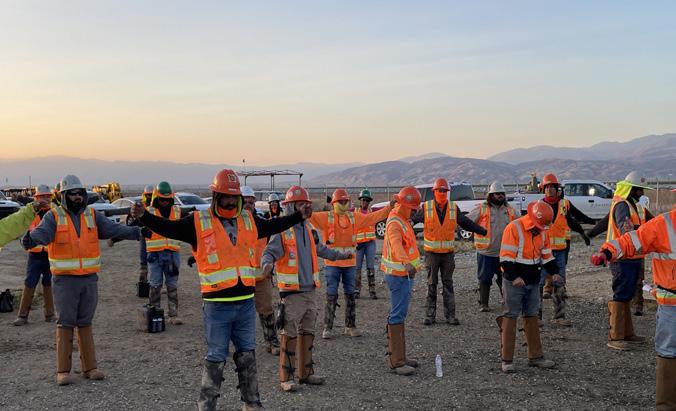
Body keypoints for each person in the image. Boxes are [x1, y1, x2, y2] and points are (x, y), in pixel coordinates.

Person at [131, 169, 312, 411]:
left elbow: (273, 225)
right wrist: (145, 217)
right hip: (217, 306)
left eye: (233, 197)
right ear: (216, 196)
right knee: (216, 358)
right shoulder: (198, 222)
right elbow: (169, 228)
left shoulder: (249, 220)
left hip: (245, 302)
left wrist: (298, 216)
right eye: (226, 196)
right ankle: (207, 406)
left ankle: (251, 403)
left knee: (247, 354)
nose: (230, 201)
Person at [23, 175, 143, 385]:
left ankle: (90, 367)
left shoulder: (93, 215)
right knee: (65, 322)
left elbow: (114, 229)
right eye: (73, 194)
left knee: (85, 321)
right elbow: (42, 233)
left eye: (80, 193)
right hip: (65, 280)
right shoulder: (54, 216)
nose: (77, 197)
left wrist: (137, 232)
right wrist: (30, 239)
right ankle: (63, 370)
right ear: (64, 196)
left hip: (89, 279)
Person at [261, 185, 351, 392]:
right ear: (291, 207)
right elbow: (268, 253)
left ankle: (305, 373)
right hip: (292, 293)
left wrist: (341, 255)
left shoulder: (310, 229)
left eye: (306, 204)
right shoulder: (282, 230)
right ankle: (286, 377)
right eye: (301, 204)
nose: (305, 207)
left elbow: (322, 249)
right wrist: (266, 265)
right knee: (289, 333)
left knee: (308, 331)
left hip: (310, 291)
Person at [591, 193, 676, 409]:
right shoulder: (664, 224)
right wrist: (608, 252)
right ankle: (666, 406)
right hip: (671, 306)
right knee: (668, 352)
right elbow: (631, 240)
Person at [309, 189, 392, 339]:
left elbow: (373, 217)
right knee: (331, 294)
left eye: (345, 201)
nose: (343, 204)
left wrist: (389, 207)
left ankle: (350, 326)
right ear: (334, 203)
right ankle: (328, 327)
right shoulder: (326, 217)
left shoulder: (354, 217)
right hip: (332, 264)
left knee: (350, 294)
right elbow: (308, 216)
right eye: (340, 201)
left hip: (349, 264)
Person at [411, 178, 486, 325]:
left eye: (444, 191)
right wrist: (407, 223)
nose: (442, 193)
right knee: (431, 284)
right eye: (440, 190)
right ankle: (430, 315)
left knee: (448, 284)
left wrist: (481, 230)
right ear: (434, 192)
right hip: (432, 254)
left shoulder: (453, 208)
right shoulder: (426, 208)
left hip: (447, 254)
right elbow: (413, 220)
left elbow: (466, 222)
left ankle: (450, 316)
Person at [498, 201, 558, 373]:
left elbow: (546, 256)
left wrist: (554, 272)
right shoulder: (514, 228)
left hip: (532, 281)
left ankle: (536, 357)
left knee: (532, 316)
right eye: (540, 226)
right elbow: (505, 258)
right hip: (514, 282)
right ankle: (507, 360)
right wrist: (514, 277)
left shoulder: (542, 231)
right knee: (510, 316)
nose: (542, 229)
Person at [603, 171, 652, 350]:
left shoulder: (634, 206)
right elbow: (627, 231)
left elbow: (650, 223)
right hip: (621, 256)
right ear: (632, 189)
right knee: (621, 294)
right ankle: (615, 336)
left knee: (627, 294)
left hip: (633, 256)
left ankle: (627, 333)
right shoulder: (622, 205)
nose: (642, 193)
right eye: (640, 189)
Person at [537, 174, 593, 326]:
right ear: (543, 189)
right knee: (539, 283)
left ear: (557, 189)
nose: (549, 189)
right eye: (547, 187)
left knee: (559, 282)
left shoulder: (564, 204)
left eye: (552, 187)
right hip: (543, 252)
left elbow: (573, 220)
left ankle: (559, 317)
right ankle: (536, 317)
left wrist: (584, 232)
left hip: (560, 251)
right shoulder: (539, 206)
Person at [381, 186, 421, 376]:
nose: (414, 211)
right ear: (404, 205)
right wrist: (406, 263)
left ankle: (401, 357)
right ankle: (396, 361)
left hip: (403, 275)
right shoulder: (395, 222)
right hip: (398, 275)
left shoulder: (402, 219)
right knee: (397, 315)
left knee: (400, 314)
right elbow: (396, 244)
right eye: (412, 208)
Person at [241, 185, 280, 356]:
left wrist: (270, 267)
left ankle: (272, 341)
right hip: (240, 277)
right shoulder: (232, 225)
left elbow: (271, 246)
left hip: (261, 275)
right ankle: (241, 346)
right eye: (245, 201)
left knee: (266, 310)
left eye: (251, 201)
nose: (248, 204)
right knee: (239, 313)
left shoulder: (262, 223)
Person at [468, 181, 517, 312]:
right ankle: (484, 304)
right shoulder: (481, 209)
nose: (500, 196)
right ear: (491, 195)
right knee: (484, 278)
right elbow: (467, 222)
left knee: (506, 278)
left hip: (505, 253)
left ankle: (507, 301)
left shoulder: (511, 210)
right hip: (486, 253)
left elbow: (520, 224)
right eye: (497, 193)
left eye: (502, 193)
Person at [13, 185, 55, 326]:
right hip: (34, 255)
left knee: (48, 283)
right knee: (30, 283)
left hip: (49, 254)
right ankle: (22, 316)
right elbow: (23, 232)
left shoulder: (55, 213)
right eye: (43, 196)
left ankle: (50, 314)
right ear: (36, 198)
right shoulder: (30, 213)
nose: (46, 199)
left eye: (48, 196)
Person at [145, 181, 184, 325]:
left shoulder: (178, 211)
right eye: (162, 199)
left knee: (172, 285)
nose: (165, 202)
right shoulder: (149, 212)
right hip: (154, 255)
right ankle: (155, 314)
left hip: (172, 254)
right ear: (156, 198)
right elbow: (134, 226)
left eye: (167, 199)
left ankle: (173, 315)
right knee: (155, 285)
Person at [354, 189, 378, 299]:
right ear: (360, 201)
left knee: (370, 267)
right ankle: (356, 291)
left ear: (369, 202)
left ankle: (372, 291)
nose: (365, 202)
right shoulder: (355, 213)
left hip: (370, 244)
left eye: (367, 200)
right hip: (358, 245)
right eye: (363, 200)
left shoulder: (372, 213)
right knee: (357, 268)